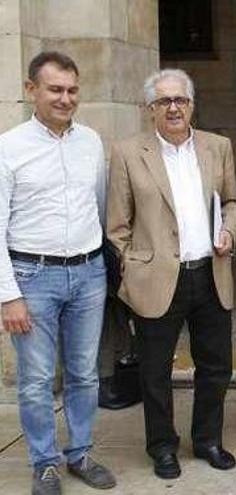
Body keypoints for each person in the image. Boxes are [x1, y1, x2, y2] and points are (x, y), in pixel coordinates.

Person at [107, 68, 236, 479]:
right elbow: (117, 225)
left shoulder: (218, 147)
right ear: (151, 109)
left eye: (180, 99)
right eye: (164, 101)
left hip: (209, 273)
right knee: (155, 371)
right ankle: (162, 446)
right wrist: (132, 269)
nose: (173, 107)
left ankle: (208, 440)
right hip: (156, 278)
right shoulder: (128, 152)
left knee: (216, 366)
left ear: (192, 104)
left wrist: (229, 232)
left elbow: (233, 202)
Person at [0, 51, 116, 495]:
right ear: (31, 90)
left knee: (85, 373)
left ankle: (80, 453)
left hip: (88, 273)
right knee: (36, 378)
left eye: (71, 90)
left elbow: (100, 207)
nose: (65, 98)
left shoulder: (91, 142)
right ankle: (44, 462)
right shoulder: (10, 148)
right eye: (55, 89)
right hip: (33, 277)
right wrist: (9, 295)